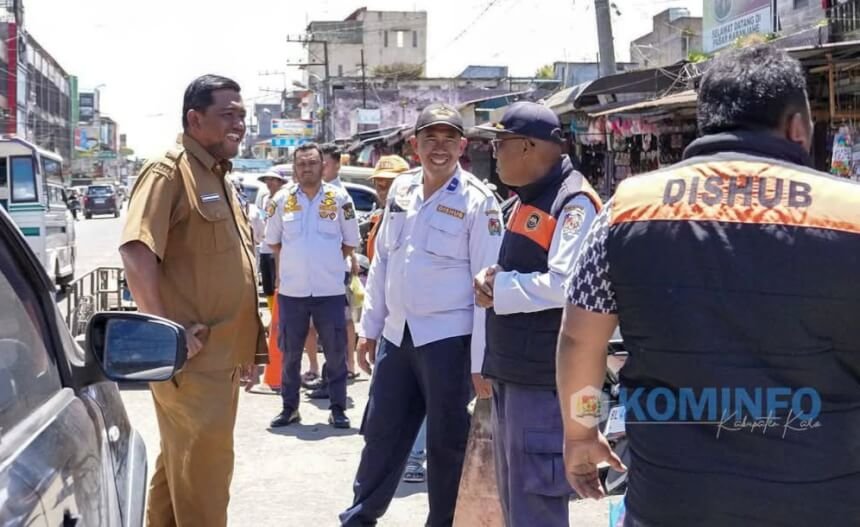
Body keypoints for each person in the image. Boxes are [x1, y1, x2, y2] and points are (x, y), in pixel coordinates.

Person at [557, 43, 860, 526]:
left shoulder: (628, 207)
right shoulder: (850, 213)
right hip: (824, 499)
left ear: (708, 121)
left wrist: (580, 431)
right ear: (798, 127)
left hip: (672, 501)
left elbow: (580, 341)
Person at [340, 103, 503, 527]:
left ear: (462, 146)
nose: (439, 148)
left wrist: (482, 361)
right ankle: (359, 517)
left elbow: (488, 289)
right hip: (398, 334)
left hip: (449, 340)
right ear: (415, 144)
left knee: (447, 444)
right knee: (380, 434)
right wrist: (369, 329)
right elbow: (383, 263)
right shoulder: (402, 190)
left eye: (450, 139)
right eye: (430, 138)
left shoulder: (479, 202)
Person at [119, 74, 267, 527]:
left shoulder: (219, 177)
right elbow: (136, 250)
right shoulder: (170, 171)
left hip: (220, 357)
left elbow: (232, 271)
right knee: (204, 481)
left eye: (242, 115)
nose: (239, 125)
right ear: (194, 118)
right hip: (191, 360)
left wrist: (251, 348)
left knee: (180, 470)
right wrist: (167, 333)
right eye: (228, 115)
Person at [473, 102, 602, 526]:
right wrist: (493, 278)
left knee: (535, 506)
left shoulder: (573, 201)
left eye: (499, 143)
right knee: (517, 506)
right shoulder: (528, 199)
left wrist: (501, 289)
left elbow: (565, 284)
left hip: (543, 382)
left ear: (527, 146)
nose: (494, 152)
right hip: (516, 374)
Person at [265, 142, 360, 430]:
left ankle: (338, 408)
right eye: (302, 164)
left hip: (329, 290)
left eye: (312, 163)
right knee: (290, 353)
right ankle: (290, 408)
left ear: (323, 166)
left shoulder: (339, 198)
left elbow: (349, 241)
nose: (307, 168)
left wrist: (327, 264)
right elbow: (275, 241)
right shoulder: (281, 200)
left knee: (335, 352)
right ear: (295, 168)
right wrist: (296, 267)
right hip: (293, 292)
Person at [362, 154, 430, 484]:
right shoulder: (384, 216)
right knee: (389, 405)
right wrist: (370, 327)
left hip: (426, 328)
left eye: (388, 183)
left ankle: (415, 458)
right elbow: (379, 268)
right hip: (392, 326)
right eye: (378, 183)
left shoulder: (422, 210)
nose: (382, 189)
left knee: (421, 402)